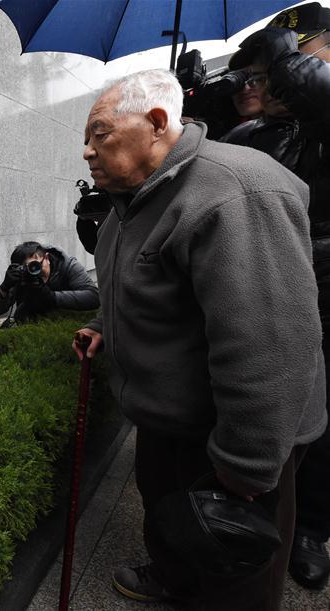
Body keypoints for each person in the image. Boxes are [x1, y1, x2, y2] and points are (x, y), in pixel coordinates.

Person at [73, 68, 326, 610]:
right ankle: (174, 579)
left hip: (233, 431)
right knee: (169, 519)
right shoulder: (127, 202)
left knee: (233, 564)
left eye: (100, 134)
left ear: (158, 123)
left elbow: (271, 342)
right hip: (168, 421)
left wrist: (246, 463)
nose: (88, 153)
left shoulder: (234, 192)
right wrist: (99, 326)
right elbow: (132, 285)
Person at [220, 2, 330, 591]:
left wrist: (282, 43)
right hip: (270, 287)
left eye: (265, 74)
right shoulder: (260, 132)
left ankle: (311, 528)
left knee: (321, 417)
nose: (256, 85)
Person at [0, 241, 98, 324]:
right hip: (30, 325)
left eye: (35, 266)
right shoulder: (21, 276)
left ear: (47, 258)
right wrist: (4, 287)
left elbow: (94, 297)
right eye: (28, 268)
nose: (34, 272)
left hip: (65, 321)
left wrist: (52, 297)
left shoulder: (67, 265)